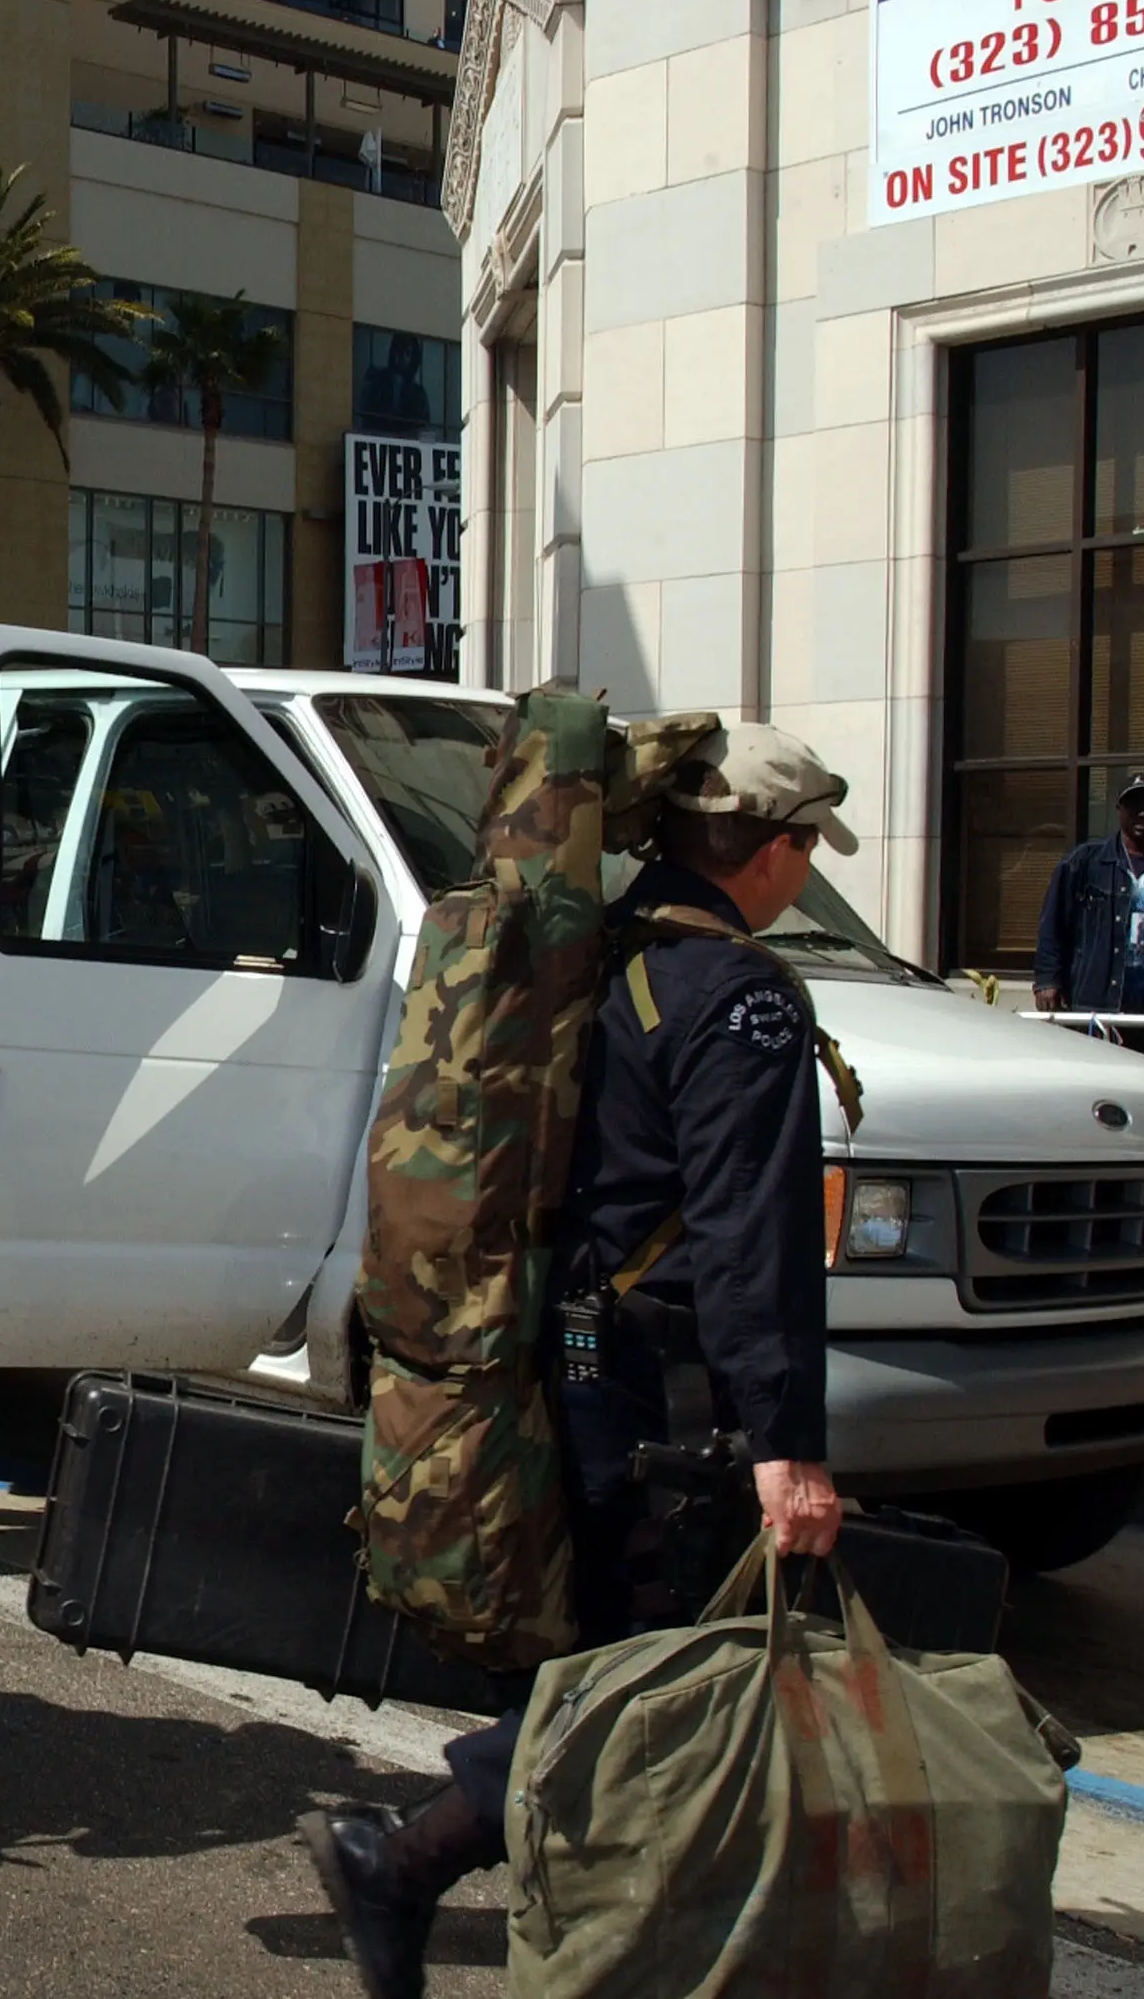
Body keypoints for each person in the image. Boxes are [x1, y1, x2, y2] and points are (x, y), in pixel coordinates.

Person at [298, 723, 855, 1999]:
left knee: (596, 1658)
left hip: (551, 1328)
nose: (806, 867)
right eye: (808, 843)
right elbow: (749, 1235)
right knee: (639, 1673)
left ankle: (531, 1890)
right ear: (770, 851)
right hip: (632, 1362)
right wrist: (785, 1442)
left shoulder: (597, 947)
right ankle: (406, 1857)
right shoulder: (740, 993)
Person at [1034, 770, 1144, 1058]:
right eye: (1134, 805)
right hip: (1094, 1009)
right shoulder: (1084, 862)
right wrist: (1047, 980)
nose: (1143, 812)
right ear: (1119, 810)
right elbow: (1053, 924)